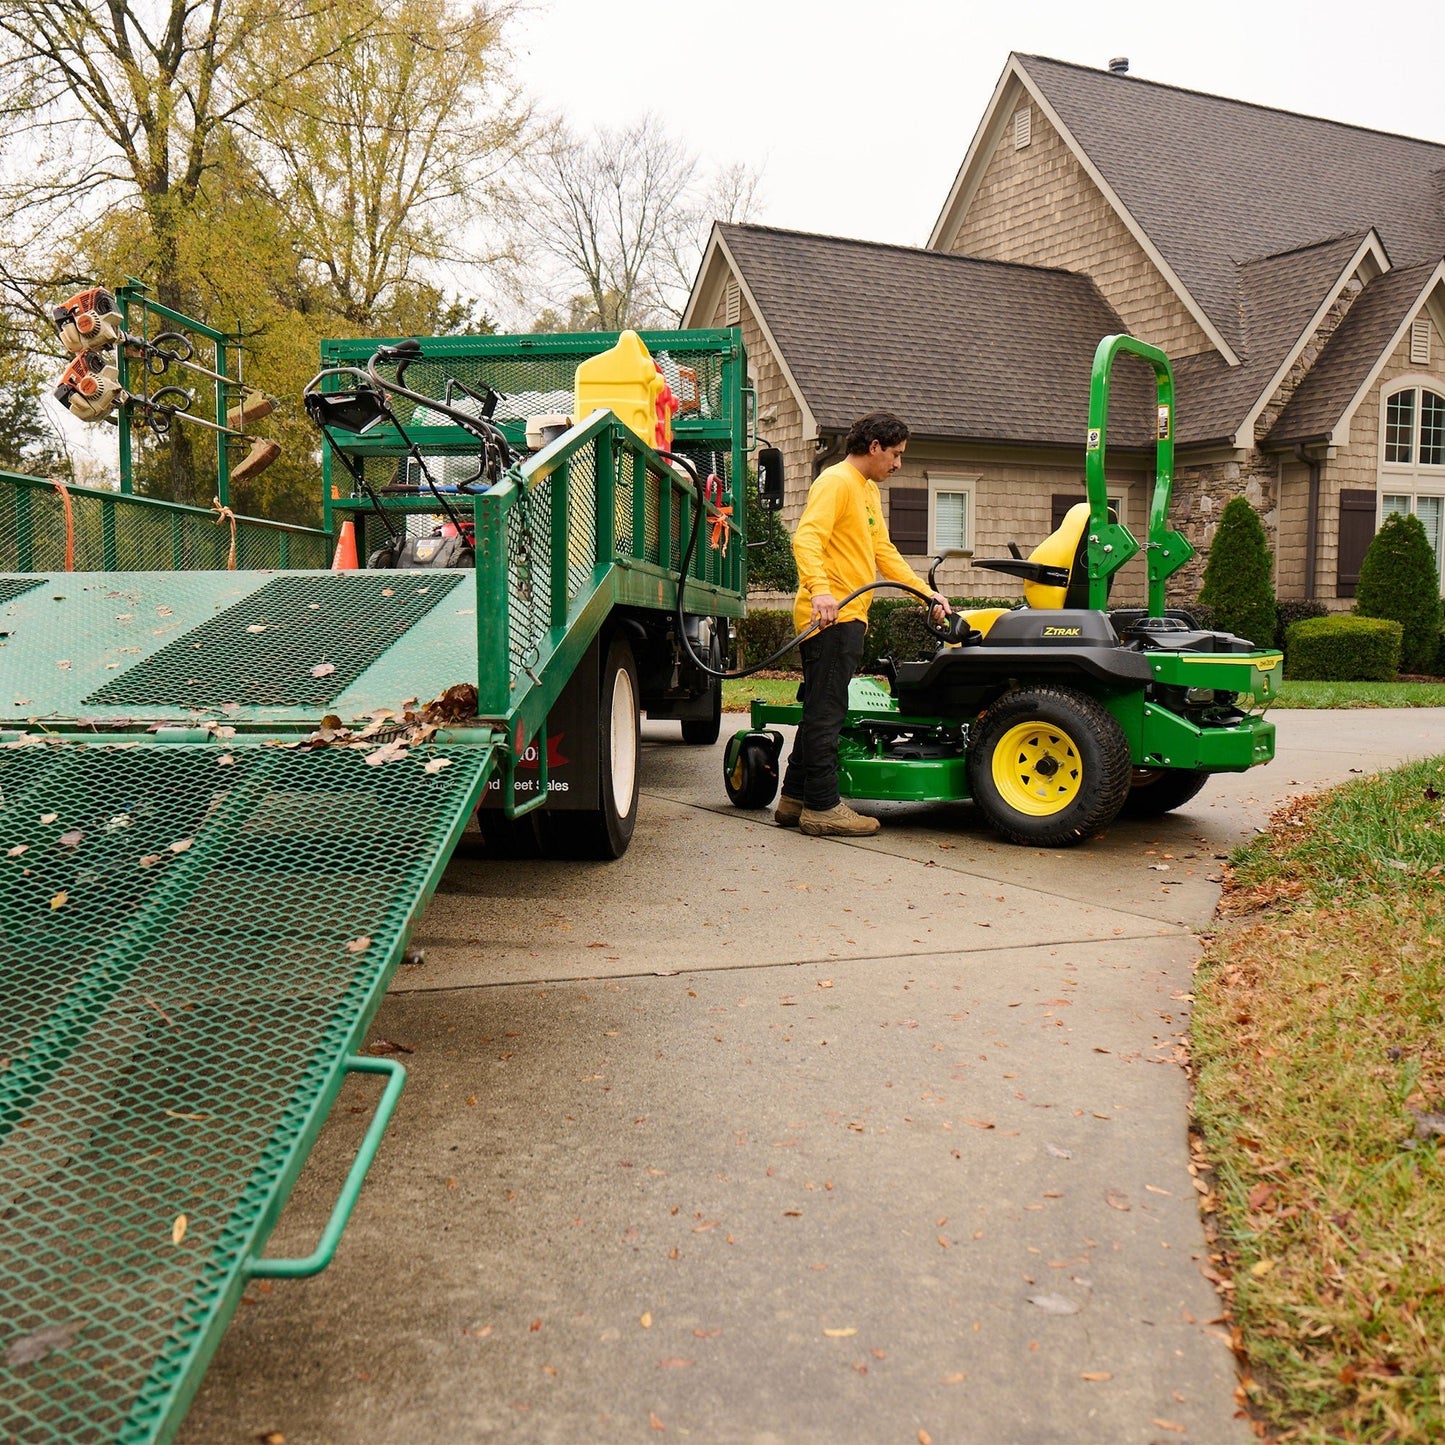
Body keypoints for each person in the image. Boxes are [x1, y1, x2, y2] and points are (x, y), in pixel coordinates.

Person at [776, 411, 950, 837]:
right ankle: (822, 807)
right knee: (828, 712)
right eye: (895, 454)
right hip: (831, 616)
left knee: (820, 707)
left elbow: (882, 552)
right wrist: (820, 590)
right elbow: (807, 538)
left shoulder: (866, 490)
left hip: (850, 616)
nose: (898, 464)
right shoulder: (836, 482)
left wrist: (925, 593)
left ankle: (795, 799)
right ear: (874, 447)